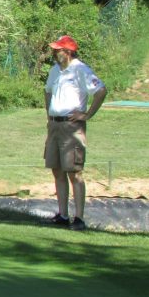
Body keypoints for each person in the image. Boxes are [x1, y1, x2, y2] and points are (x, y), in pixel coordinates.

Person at [43, 35, 107, 231]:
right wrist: (49, 115)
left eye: (58, 50)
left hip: (72, 126)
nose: (54, 53)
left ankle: (79, 218)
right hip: (55, 125)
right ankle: (63, 214)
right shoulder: (55, 70)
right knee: (57, 169)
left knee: (74, 172)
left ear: (68, 52)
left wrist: (87, 115)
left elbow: (101, 91)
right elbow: (47, 91)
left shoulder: (80, 69)